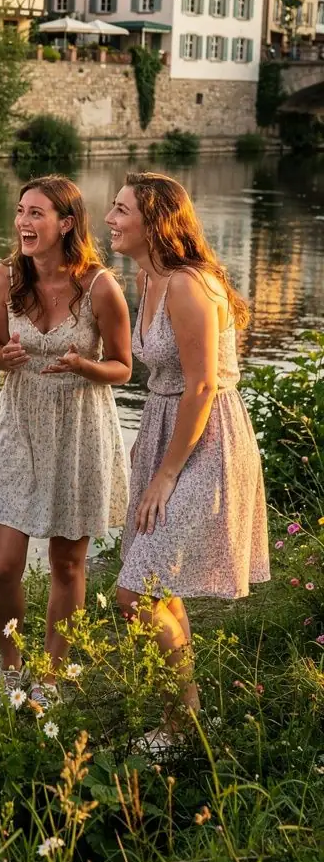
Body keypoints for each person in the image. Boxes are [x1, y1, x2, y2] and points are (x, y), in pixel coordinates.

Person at [106, 171, 269, 746]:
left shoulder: (188, 284)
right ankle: (188, 720)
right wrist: (147, 446)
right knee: (158, 582)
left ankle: (179, 726)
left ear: (154, 223)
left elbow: (201, 385)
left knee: (136, 594)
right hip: (166, 430)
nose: (110, 220)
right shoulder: (149, 278)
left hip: (208, 439)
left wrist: (166, 474)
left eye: (121, 210)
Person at [0, 176, 131, 703]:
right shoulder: (2, 279)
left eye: (37, 213)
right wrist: (1, 357)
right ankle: (11, 668)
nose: (23, 222)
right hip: (19, 424)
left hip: (79, 426)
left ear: (66, 223)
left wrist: (86, 367)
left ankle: (51, 674)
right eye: (20, 211)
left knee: (67, 563)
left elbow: (123, 367)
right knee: (2, 567)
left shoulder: (101, 287)